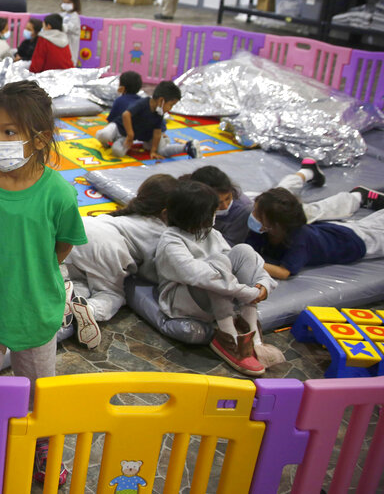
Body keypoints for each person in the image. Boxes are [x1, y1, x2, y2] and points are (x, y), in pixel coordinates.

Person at [0, 81, 86, 485]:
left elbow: (62, 246)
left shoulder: (59, 193)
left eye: (9, 132)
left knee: (39, 391)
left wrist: (30, 269)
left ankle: (42, 445)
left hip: (36, 309)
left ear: (40, 138)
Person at [154, 182, 275, 377]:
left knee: (243, 251)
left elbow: (241, 262)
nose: (215, 214)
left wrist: (263, 284)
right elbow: (200, 275)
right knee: (216, 266)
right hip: (184, 300)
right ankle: (230, 338)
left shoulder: (212, 233)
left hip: (221, 295)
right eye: (212, 211)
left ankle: (254, 336)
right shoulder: (171, 241)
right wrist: (246, 293)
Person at [63, 174, 179, 350]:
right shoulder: (160, 231)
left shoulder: (126, 213)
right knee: (113, 294)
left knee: (81, 278)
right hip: (107, 247)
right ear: (166, 212)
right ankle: (91, 309)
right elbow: (152, 271)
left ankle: (64, 293)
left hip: (81, 227)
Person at [186, 160, 374, 247]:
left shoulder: (242, 210)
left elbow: (228, 244)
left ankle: (358, 197)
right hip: (258, 202)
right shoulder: (194, 194)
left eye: (227, 200)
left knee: (307, 211)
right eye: (219, 203)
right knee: (278, 193)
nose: (224, 205)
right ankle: (307, 172)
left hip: (259, 209)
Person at [247, 188, 384, 280]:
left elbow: (284, 272)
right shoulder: (262, 229)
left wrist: (249, 263)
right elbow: (247, 249)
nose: (253, 215)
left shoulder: (299, 238)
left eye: (258, 214)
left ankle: (361, 196)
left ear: (276, 224)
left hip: (352, 243)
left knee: (374, 232)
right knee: (369, 225)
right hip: (331, 231)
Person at [95, 80, 201, 160]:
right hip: (120, 128)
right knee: (103, 135)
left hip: (133, 136)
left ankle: (187, 147)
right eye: (171, 105)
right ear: (161, 100)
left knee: (118, 152)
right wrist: (130, 134)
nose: (171, 108)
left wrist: (154, 151)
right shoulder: (143, 103)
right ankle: (112, 139)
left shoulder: (159, 113)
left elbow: (157, 132)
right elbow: (126, 115)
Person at [95, 70, 143, 144]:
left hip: (121, 131)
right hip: (136, 135)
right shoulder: (142, 101)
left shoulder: (119, 100)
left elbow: (111, 120)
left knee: (102, 135)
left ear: (122, 88)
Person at [60, 0, 82, 65]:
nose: (65, 4)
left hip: (71, 50)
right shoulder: (63, 14)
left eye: (68, 3)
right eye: (64, 2)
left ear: (75, 3)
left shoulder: (75, 17)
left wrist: (56, 25)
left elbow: (67, 28)